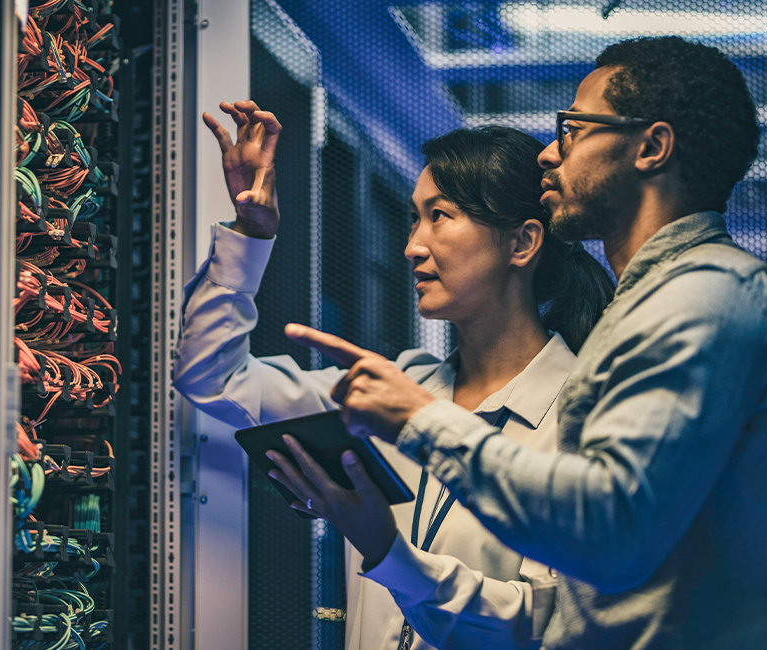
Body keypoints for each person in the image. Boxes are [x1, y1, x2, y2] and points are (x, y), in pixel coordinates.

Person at [284, 36, 767, 649]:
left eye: (575, 130)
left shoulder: (703, 301)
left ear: (652, 147)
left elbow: (608, 527)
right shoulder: (655, 307)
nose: (551, 153)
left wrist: (421, 419)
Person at [173, 100, 614, 649]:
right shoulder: (397, 390)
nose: (412, 246)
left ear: (522, 243)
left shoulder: (584, 416)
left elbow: (542, 626)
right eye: (413, 216)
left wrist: (388, 552)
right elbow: (211, 377)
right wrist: (250, 235)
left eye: (441, 216)